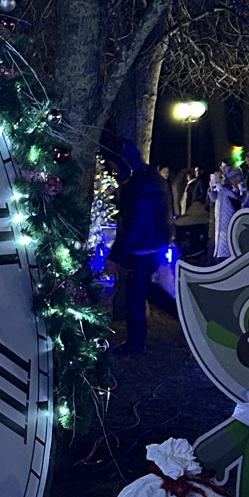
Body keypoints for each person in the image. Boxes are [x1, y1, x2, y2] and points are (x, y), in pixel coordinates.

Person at [108, 141, 172, 352]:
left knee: (136, 298)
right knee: (150, 292)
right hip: (153, 246)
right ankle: (181, 312)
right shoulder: (149, 179)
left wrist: (117, 255)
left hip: (144, 249)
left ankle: (135, 344)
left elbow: (135, 223)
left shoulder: (137, 185)